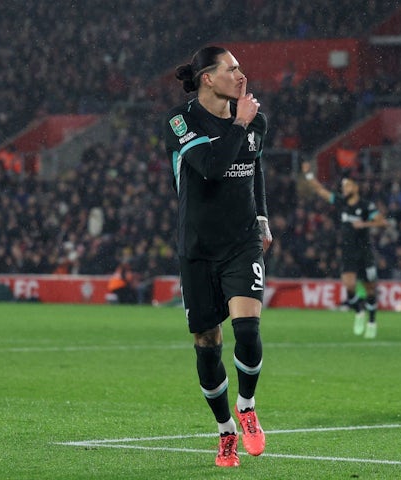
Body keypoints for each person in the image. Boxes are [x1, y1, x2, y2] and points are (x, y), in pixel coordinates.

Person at [164, 46, 272, 468]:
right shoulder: (181, 121)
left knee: (248, 328)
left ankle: (247, 406)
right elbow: (209, 165)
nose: (241, 75)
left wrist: (262, 216)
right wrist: (240, 123)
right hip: (197, 248)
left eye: (242, 68)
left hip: (242, 242)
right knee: (207, 343)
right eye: (231, 69)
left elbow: (254, 164)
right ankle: (225, 430)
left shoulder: (255, 121)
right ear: (207, 78)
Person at [301, 161, 388, 338]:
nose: (345, 188)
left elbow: (382, 221)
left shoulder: (365, 206)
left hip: (365, 253)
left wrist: (364, 223)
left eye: (347, 185)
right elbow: (320, 190)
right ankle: (359, 312)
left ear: (355, 187)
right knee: (349, 287)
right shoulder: (341, 203)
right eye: (343, 186)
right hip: (348, 252)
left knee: (370, 288)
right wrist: (309, 175)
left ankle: (372, 321)